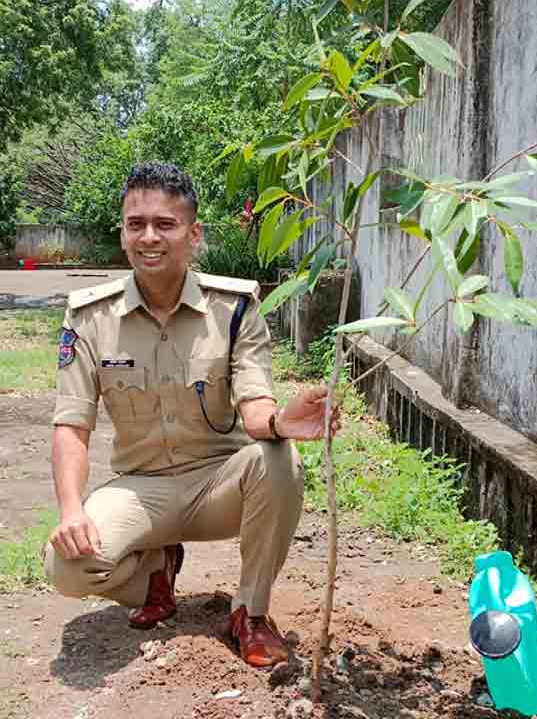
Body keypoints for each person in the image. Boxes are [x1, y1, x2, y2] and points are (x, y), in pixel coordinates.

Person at [43, 162, 342, 668]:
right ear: (123, 233)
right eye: (136, 224)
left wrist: (280, 423)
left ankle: (250, 613)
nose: (149, 237)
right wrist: (71, 510)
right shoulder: (90, 317)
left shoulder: (235, 308)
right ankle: (154, 576)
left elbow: (255, 406)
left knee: (277, 459)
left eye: (165, 224)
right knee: (66, 566)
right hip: (142, 490)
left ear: (193, 233)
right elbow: (71, 425)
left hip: (218, 485)